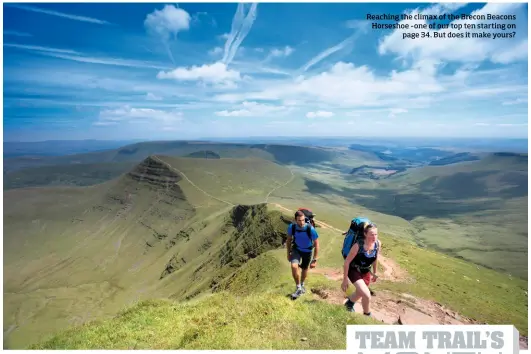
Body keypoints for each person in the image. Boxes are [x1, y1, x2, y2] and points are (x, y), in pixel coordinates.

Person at [341, 223, 380, 316]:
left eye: (376, 234)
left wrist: (375, 272)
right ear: (365, 234)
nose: (374, 237)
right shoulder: (358, 245)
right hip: (354, 270)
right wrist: (345, 279)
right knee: (366, 294)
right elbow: (346, 262)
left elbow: (375, 258)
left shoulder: (377, 244)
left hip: (366, 272)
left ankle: (349, 304)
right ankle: (367, 315)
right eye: (371, 234)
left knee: (359, 293)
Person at [287, 210, 320, 299]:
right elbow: (289, 240)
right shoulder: (292, 227)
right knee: (294, 266)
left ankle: (302, 284)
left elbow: (316, 243)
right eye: (299, 220)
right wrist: (288, 253)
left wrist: (314, 260)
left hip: (307, 251)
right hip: (296, 249)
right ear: (295, 220)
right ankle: (298, 288)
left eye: (303, 220)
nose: (301, 222)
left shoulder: (310, 229)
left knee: (304, 269)